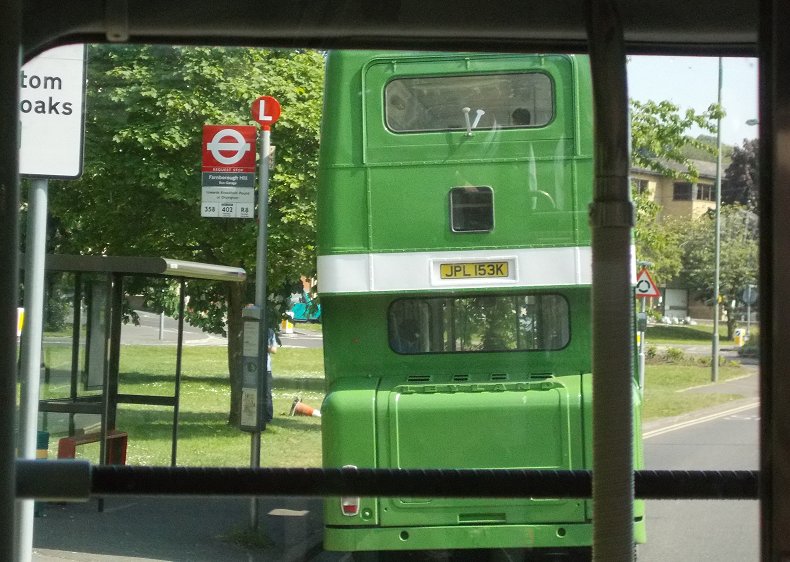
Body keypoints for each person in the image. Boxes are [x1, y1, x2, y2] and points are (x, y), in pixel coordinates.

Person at [265, 328, 279, 423]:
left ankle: (268, 417)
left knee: (267, 394)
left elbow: (274, 350)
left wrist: (264, 346)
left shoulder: (270, 332)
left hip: (267, 369)